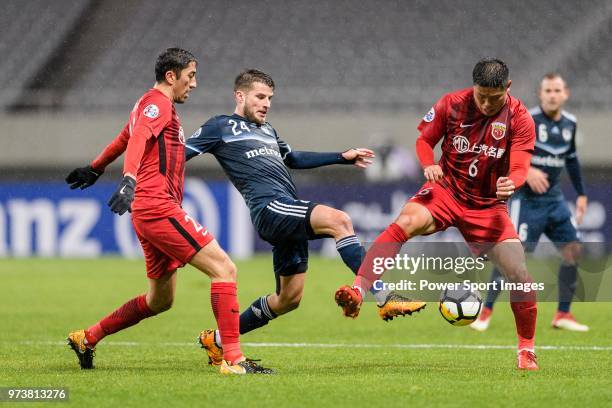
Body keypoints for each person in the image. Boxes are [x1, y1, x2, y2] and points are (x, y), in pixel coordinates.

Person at [185, 69, 426, 366]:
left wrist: (341, 157)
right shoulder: (219, 126)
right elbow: (179, 154)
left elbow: (293, 158)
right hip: (269, 207)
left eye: (270, 98)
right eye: (260, 97)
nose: (266, 103)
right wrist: (147, 181)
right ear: (240, 96)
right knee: (340, 221)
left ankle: (217, 340)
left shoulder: (267, 130)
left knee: (288, 300)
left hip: (285, 209)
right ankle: (382, 294)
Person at [64, 48, 271, 375]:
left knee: (160, 300)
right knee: (224, 269)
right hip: (157, 206)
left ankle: (87, 337)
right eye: (190, 76)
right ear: (171, 76)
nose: (194, 83)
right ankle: (233, 359)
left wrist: (96, 167)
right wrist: (128, 180)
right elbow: (138, 139)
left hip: (148, 210)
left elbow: (125, 137)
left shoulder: (148, 103)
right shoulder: (158, 104)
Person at [334, 58, 540, 370]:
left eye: (494, 98)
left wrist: (514, 181)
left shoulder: (520, 117)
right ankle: (359, 290)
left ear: (507, 89)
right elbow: (424, 140)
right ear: (473, 86)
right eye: (481, 95)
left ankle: (526, 350)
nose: (486, 103)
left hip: (486, 205)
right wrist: (428, 162)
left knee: (520, 275)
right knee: (405, 222)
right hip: (447, 190)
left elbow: (521, 161)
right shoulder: (452, 104)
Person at [471, 73, 589, 332]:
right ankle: (486, 311)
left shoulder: (571, 123)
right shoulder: (527, 120)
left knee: (573, 251)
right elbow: (505, 152)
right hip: (527, 202)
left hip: (555, 201)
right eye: (548, 91)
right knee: (511, 259)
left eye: (557, 90)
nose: (552, 95)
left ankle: (563, 314)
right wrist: (528, 170)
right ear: (540, 94)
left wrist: (581, 194)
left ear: (565, 93)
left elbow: (571, 159)